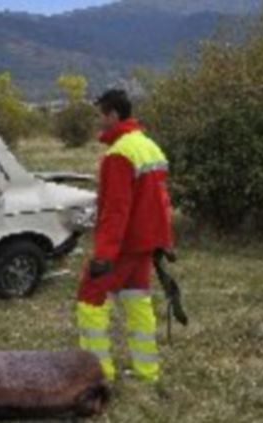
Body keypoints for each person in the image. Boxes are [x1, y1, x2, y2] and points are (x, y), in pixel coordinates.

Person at [76, 89, 173, 384]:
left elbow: (116, 210)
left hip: (123, 247)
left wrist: (104, 255)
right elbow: (162, 201)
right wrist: (165, 241)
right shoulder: (149, 146)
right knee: (137, 302)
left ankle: (97, 374)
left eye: (100, 116)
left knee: (89, 300)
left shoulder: (119, 154)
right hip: (145, 245)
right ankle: (146, 371)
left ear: (113, 115)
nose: (98, 122)